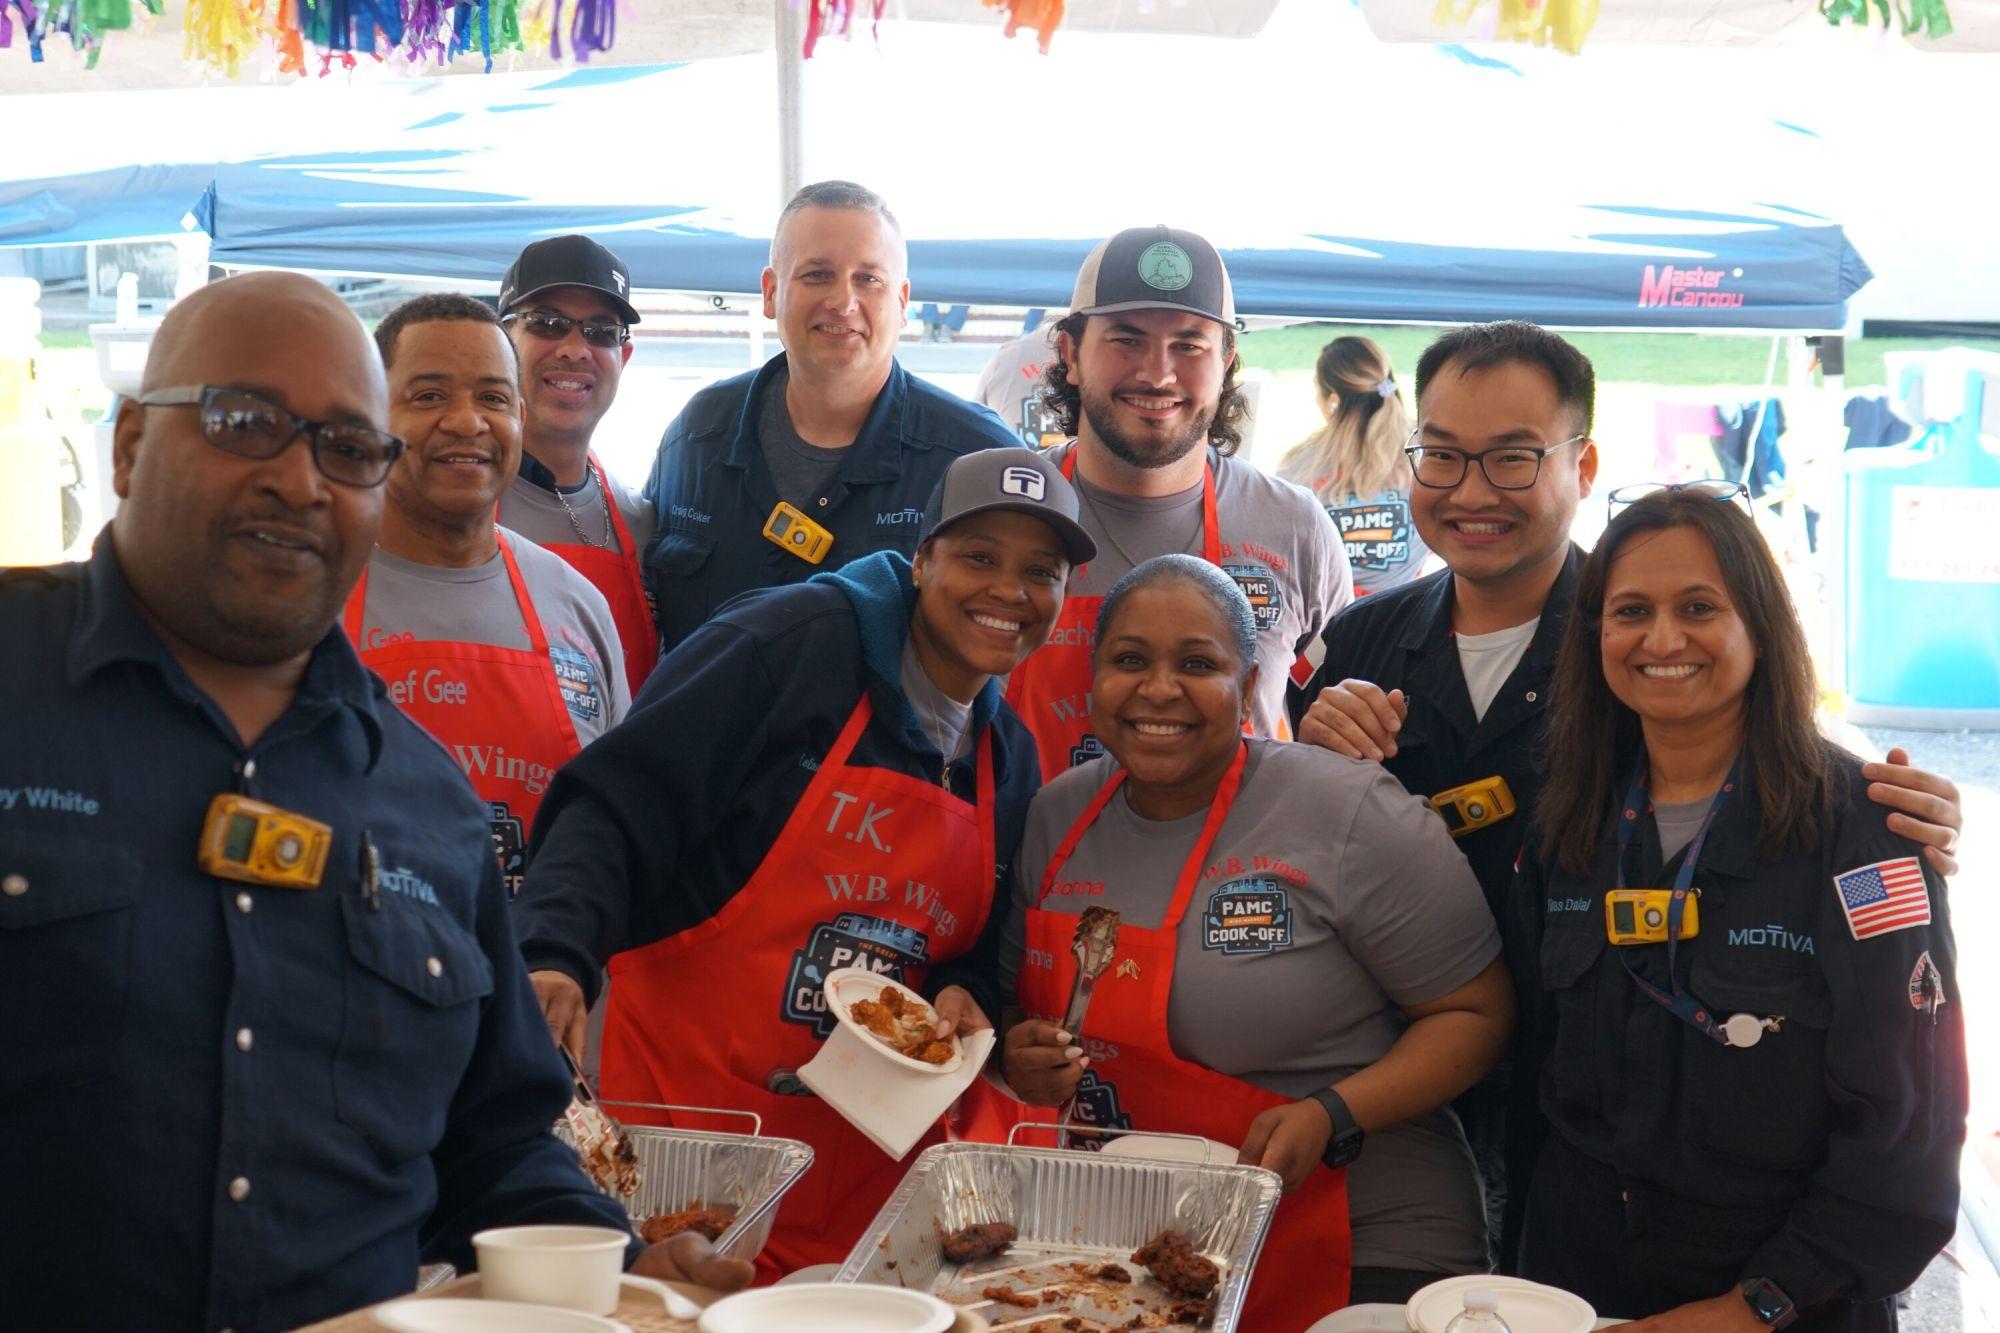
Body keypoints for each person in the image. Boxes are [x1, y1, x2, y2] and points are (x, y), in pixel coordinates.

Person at [0, 272, 749, 1331]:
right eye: (246, 422)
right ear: (128, 446)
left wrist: (626, 1271)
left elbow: (496, 1141)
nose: (299, 481)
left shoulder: (426, 806)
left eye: (347, 450)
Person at [1290, 320, 1966, 1260]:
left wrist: (1884, 810)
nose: (1473, 490)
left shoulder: (1639, 647)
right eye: (1442, 455)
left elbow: (1903, 1133)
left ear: (1582, 460)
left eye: (1514, 458)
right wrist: (1305, 747)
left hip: (1661, 1171)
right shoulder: (1353, 650)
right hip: (1404, 1108)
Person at [516, 448, 1097, 1276]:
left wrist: (967, 990)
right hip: (689, 1151)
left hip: (865, 1192)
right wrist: (554, 952)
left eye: (1041, 571)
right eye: (978, 556)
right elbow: (616, 805)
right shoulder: (785, 647)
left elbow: (970, 947)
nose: (1009, 591)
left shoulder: (1010, 758)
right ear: (923, 557)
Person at [999, 555, 1513, 1327]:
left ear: (1248, 688)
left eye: (1198, 663)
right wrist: (1022, 1054)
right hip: (1144, 1243)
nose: (1159, 689)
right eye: (1129, 660)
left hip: (1359, 1230)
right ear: (1094, 678)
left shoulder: (1345, 811)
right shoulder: (1056, 816)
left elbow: (1479, 1015)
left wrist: (1331, 1111)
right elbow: (1013, 1004)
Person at [1513, 485, 1966, 1331]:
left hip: (1788, 1302)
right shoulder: (1568, 822)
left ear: (1760, 623)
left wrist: (1754, 1305)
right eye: (1631, 611)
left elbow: (1910, 1130)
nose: (1662, 638)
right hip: (1576, 1292)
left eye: (1698, 607)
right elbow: (1534, 1075)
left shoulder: (1867, 833)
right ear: (1596, 636)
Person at [1009, 225, 1350, 779]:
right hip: (1033, 860)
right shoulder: (1005, 515)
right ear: (1070, 353)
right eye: (1127, 339)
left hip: (1240, 860)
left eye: (1188, 344)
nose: (1158, 372)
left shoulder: (1295, 527)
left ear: (1227, 360)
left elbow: (1332, 712)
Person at [640, 180, 1017, 655]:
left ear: (901, 302)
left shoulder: (974, 457)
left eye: (869, 279)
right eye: (818, 274)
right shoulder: (698, 436)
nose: (843, 302)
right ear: (771, 291)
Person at [344, 293, 629, 897]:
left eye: (493, 398)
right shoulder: (311, 600)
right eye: (428, 396)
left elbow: (612, 823)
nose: (467, 421)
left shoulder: (578, 606)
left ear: (521, 417)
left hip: (541, 980)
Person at [496, 234, 661, 697]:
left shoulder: (642, 521)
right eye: (548, 323)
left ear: (623, 357)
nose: (574, 349)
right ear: (501, 343)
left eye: (601, 332)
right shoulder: (445, 508)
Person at [1275, 334, 1430, 597]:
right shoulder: (1428, 453)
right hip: (1408, 611)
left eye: (1317, 390)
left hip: (1328, 617)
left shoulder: (1300, 469)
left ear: (1332, 399)